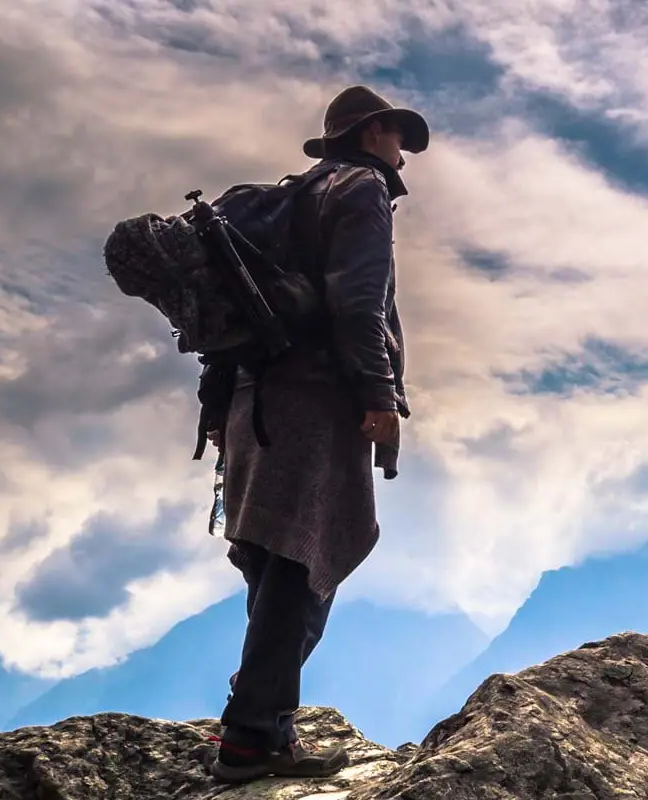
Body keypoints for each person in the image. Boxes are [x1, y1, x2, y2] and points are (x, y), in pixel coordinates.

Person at [201, 84, 426, 784]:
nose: (403, 156)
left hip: (248, 399)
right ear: (372, 133)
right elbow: (358, 304)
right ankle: (249, 736)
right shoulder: (359, 192)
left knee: (273, 561)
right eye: (397, 139)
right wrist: (380, 397)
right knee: (305, 560)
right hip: (312, 404)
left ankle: (268, 727)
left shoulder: (287, 198)